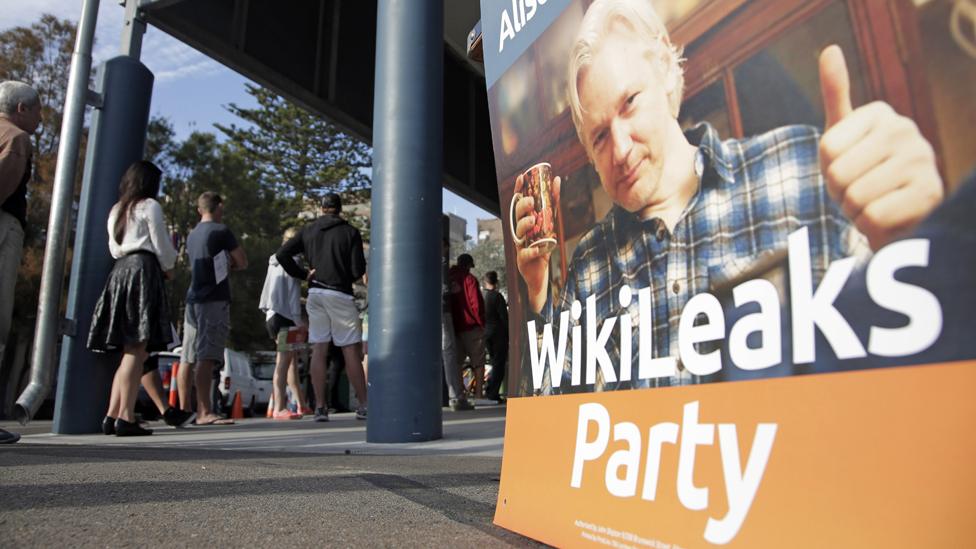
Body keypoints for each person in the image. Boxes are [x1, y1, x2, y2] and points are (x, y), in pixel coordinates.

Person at [511, 0, 945, 391]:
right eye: (601, 136)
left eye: (630, 103)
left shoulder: (800, 169)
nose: (621, 150)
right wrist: (536, 295)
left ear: (663, 66)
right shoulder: (588, 265)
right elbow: (555, 418)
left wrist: (916, 238)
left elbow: (915, 345)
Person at [87, 160, 193, 435]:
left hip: (120, 273)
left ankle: (112, 415)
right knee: (137, 348)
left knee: (128, 351)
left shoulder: (117, 209)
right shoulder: (150, 206)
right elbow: (162, 245)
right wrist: (169, 267)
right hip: (144, 271)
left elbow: (113, 249)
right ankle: (125, 418)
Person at [276, 192, 368, 422]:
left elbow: (282, 254)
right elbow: (358, 270)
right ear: (340, 209)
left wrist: (304, 274)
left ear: (321, 208)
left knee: (319, 347)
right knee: (350, 350)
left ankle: (319, 407)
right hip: (340, 294)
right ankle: (364, 405)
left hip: (315, 293)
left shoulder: (309, 230)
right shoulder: (350, 232)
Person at [178, 192, 247, 425]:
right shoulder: (221, 231)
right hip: (213, 298)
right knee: (206, 356)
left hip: (192, 298)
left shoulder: (192, 235)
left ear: (199, 210)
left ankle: (184, 409)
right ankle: (204, 411)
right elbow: (242, 261)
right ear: (219, 207)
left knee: (187, 357)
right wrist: (231, 263)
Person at [0, 81, 41, 445]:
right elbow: (6, 183)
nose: (40, 117)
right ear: (21, 109)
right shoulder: (16, 138)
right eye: (38, 109)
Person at [259, 227, 308, 420]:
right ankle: (279, 407)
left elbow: (268, 291)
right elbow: (292, 297)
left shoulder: (273, 261)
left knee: (290, 361)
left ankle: (301, 404)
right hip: (285, 316)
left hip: (272, 314)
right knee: (283, 362)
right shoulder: (293, 263)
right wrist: (299, 322)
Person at [449, 253, 487, 398]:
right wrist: (481, 323)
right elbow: (475, 304)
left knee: (457, 362)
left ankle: (459, 393)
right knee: (478, 362)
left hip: (454, 326)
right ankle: (478, 395)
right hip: (471, 328)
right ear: (468, 265)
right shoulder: (470, 280)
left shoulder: (449, 277)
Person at [441, 239, 473, 411]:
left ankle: (453, 395)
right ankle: (456, 396)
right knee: (449, 353)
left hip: (427, 312)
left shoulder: (448, 270)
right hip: (443, 311)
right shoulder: (442, 262)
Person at [482, 271, 509, 403]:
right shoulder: (497, 297)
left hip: (486, 333)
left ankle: (489, 389)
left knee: (493, 362)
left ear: (485, 282)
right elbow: (504, 317)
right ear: (496, 282)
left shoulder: (484, 297)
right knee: (499, 364)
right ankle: (493, 392)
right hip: (499, 334)